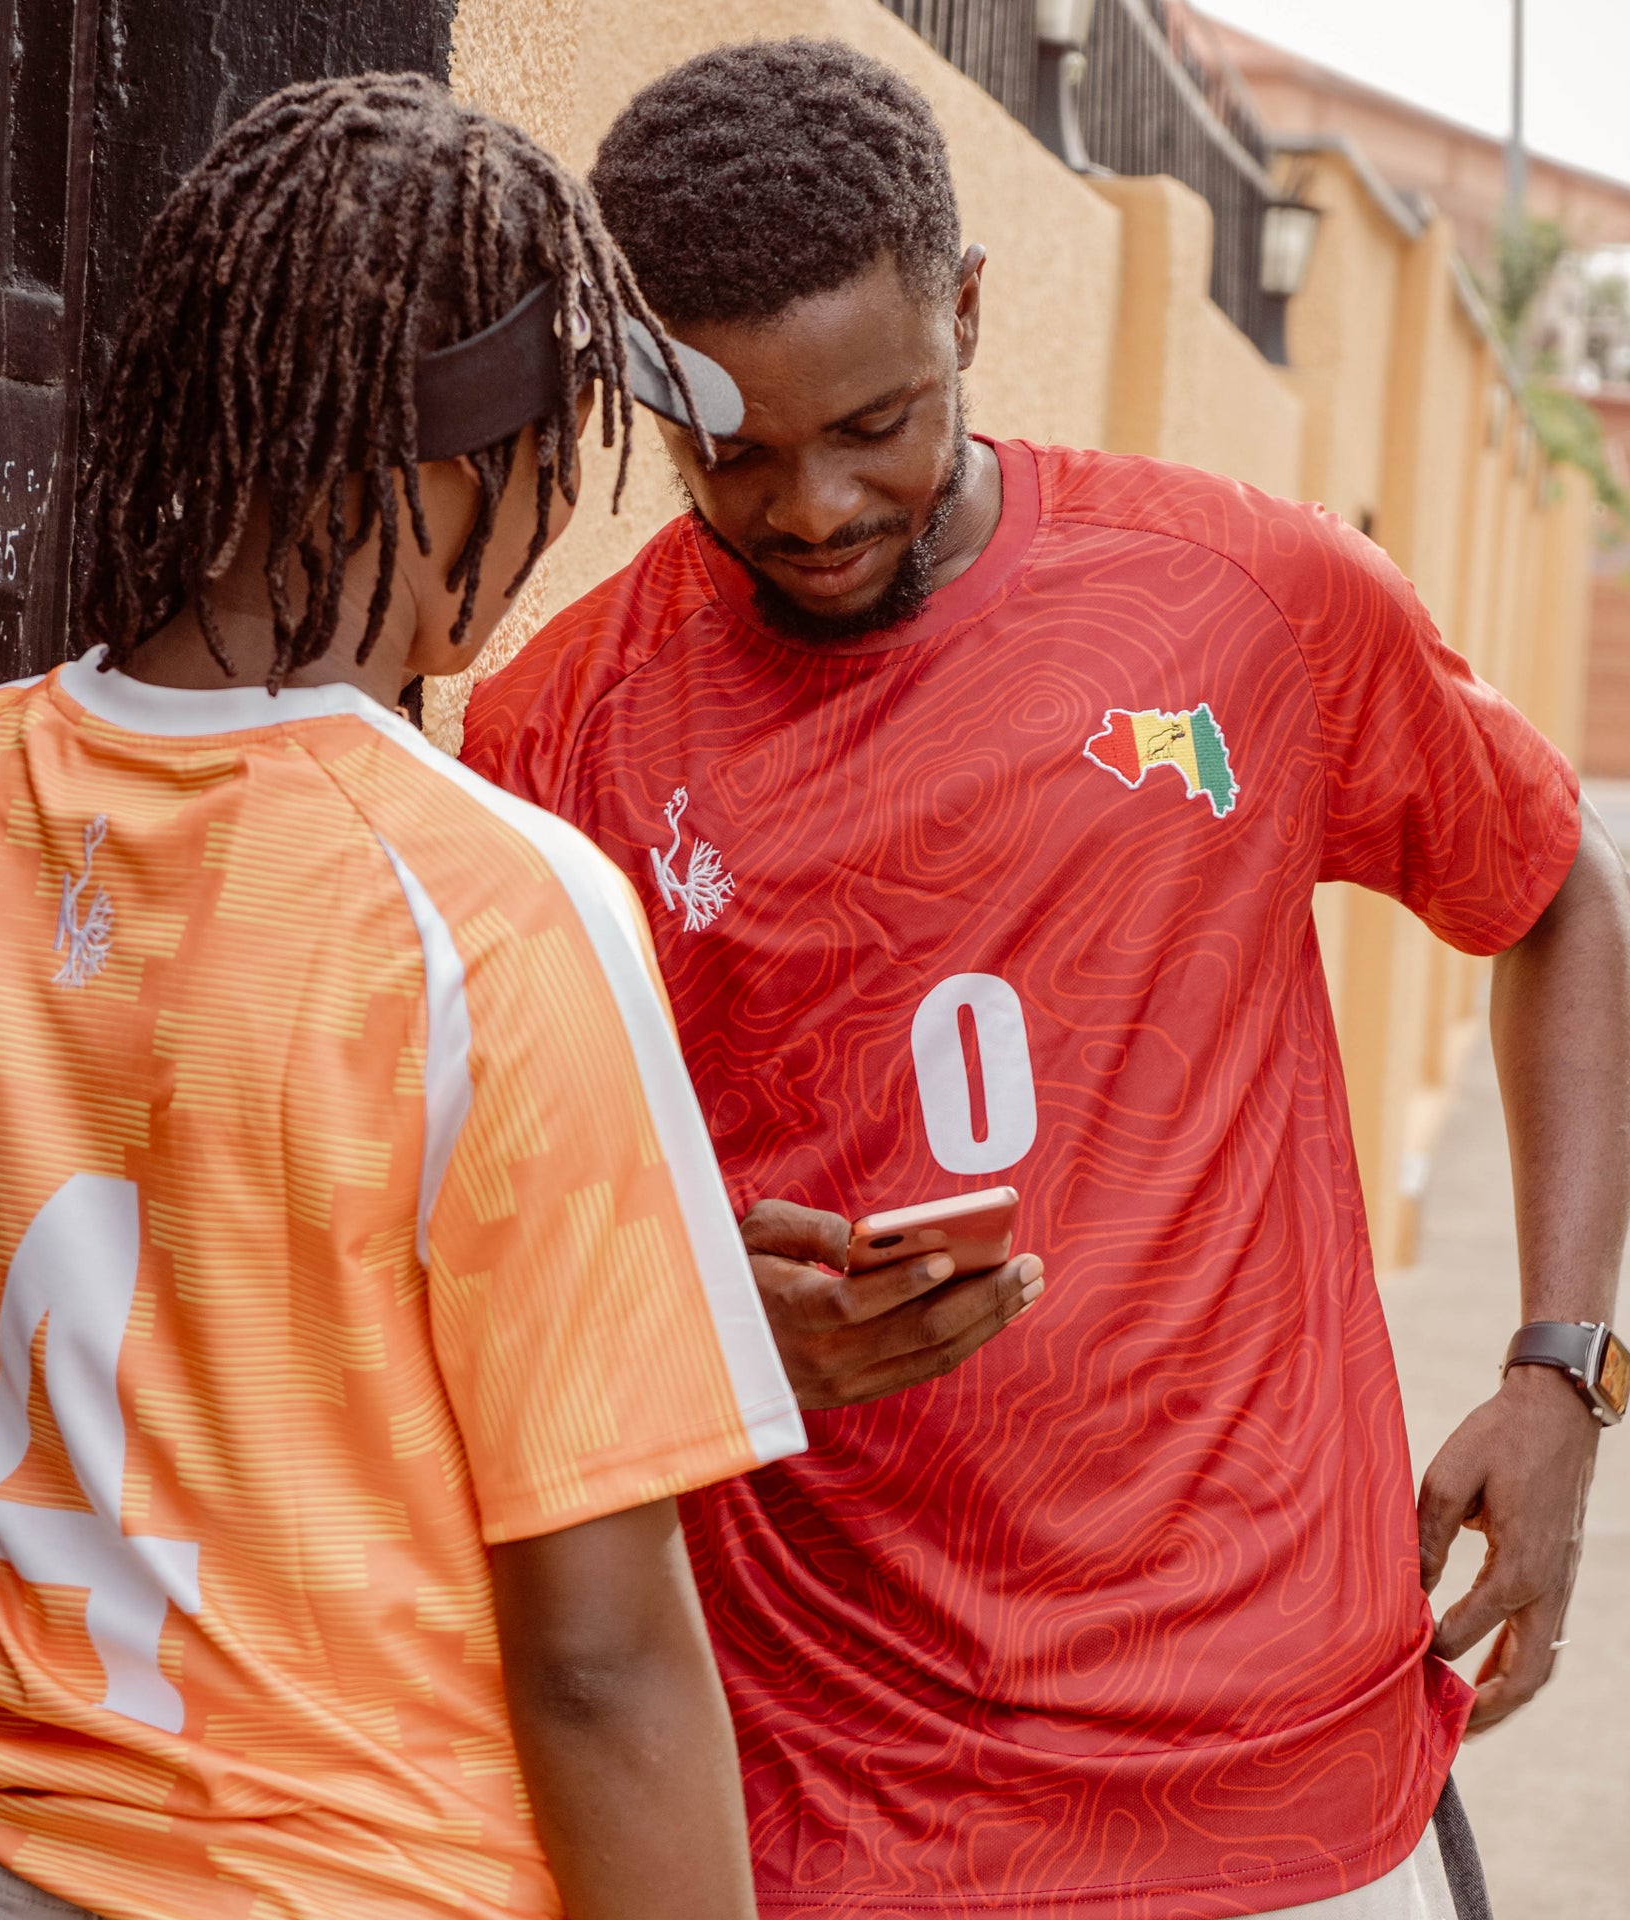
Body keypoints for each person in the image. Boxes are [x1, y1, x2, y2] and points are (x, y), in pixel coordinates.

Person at [461, 38, 1630, 1920]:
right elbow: (481, 1270)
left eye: (878, 421)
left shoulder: (1246, 600)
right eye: (732, 452)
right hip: (838, 1817)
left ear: (971, 312)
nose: (815, 505)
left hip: (1283, 1793)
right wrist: (697, 1322)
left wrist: (1564, 1372)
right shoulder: (553, 740)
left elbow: (1563, 894)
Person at [0, 74, 803, 1920]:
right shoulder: (499, 907)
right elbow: (601, 1654)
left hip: (9, 1858)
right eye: (559, 452)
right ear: (467, 467)